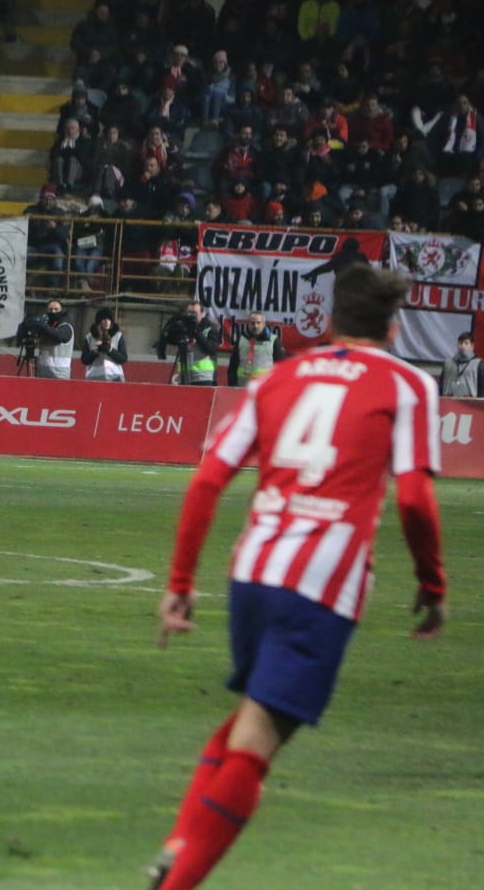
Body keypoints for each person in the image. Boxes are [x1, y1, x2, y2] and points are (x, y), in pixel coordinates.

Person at [148, 265, 447, 890]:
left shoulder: (275, 378)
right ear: (393, 328)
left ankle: (178, 846)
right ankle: (177, 879)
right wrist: (433, 583)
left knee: (245, 725)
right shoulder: (409, 384)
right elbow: (416, 498)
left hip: (253, 570)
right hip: (321, 582)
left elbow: (208, 479)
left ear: (332, 321)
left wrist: (179, 582)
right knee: (258, 744)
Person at [13, 299, 74, 379]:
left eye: (56, 309)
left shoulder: (66, 327)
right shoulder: (45, 326)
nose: (53, 312)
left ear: (62, 311)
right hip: (42, 375)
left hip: (60, 375)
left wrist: (41, 325)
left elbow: (58, 336)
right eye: (50, 309)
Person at [226, 311, 287, 387]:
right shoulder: (241, 340)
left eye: (258, 323)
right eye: (252, 323)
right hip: (242, 389)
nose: (255, 326)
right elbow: (233, 366)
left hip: (264, 389)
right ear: (248, 324)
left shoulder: (274, 341)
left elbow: (282, 367)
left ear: (264, 324)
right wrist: (232, 385)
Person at [81, 306, 126, 381]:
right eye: (104, 319)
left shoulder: (118, 336)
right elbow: (84, 360)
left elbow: (123, 358)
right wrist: (95, 351)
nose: (107, 322)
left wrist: (109, 350)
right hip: (94, 378)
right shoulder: (90, 337)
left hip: (115, 378)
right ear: (99, 321)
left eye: (109, 319)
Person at [439, 332, 483, 398]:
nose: (463, 346)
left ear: (472, 346)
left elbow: (482, 388)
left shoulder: (479, 364)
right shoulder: (447, 363)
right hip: (448, 403)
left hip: (470, 404)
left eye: (466, 343)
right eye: (460, 343)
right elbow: (441, 385)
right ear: (457, 345)